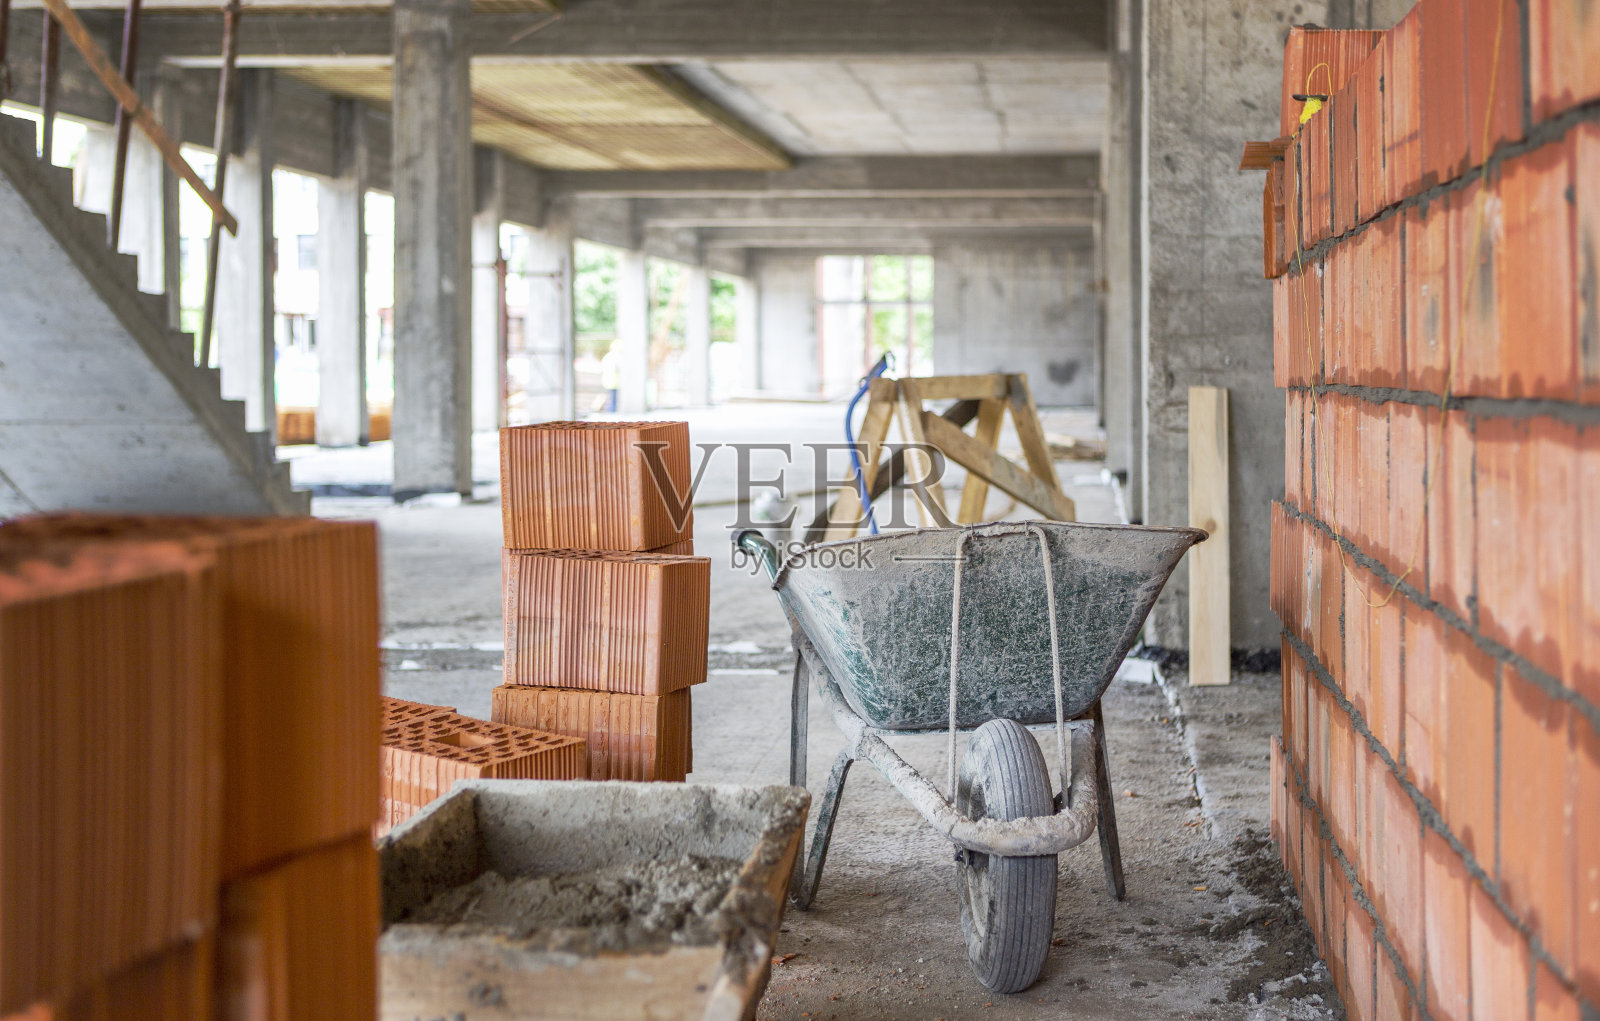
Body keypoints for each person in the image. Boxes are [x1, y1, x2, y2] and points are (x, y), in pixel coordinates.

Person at [599, 344, 620, 413]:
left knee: (611, 399)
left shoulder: (607, 356)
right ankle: (612, 412)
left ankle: (611, 411)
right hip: (614, 382)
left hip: (608, 381)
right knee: (614, 400)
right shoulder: (616, 357)